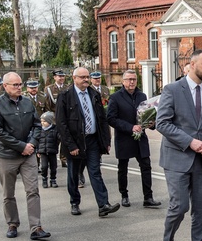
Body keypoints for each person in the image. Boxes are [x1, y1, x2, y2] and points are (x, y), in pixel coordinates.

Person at [157, 49, 202, 241]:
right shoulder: (172, 90)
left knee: (201, 212)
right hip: (177, 158)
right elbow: (162, 123)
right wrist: (190, 142)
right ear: (192, 64)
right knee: (180, 206)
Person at [0, 72, 50, 240]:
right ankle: (12, 223)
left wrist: (31, 144)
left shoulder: (28, 103)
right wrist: (21, 146)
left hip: (28, 154)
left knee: (33, 190)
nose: (19, 88)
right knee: (8, 193)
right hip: (7, 155)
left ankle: (36, 227)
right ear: (5, 86)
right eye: (15, 85)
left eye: (20, 84)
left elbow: (37, 125)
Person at [55, 67, 119, 218]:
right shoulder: (65, 96)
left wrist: (106, 140)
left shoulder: (94, 94)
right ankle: (74, 202)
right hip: (75, 142)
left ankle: (103, 205)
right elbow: (61, 123)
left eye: (87, 77)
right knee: (73, 174)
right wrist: (71, 145)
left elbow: (102, 119)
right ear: (74, 78)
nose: (85, 79)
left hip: (92, 141)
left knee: (95, 172)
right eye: (82, 77)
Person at [106, 70, 160, 208]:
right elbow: (111, 119)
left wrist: (151, 124)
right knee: (123, 168)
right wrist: (130, 127)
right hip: (124, 138)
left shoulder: (142, 95)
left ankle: (148, 197)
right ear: (123, 81)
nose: (131, 82)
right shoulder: (115, 97)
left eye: (134, 79)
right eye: (129, 79)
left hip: (140, 138)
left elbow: (146, 113)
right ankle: (124, 195)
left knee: (146, 167)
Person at [38, 111, 59, 188]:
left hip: (52, 151)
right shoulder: (40, 130)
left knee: (53, 167)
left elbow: (59, 138)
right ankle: (44, 179)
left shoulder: (55, 130)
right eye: (41, 121)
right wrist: (38, 150)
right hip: (43, 151)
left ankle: (53, 179)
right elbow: (37, 141)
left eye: (45, 121)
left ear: (50, 121)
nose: (42, 123)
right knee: (44, 166)